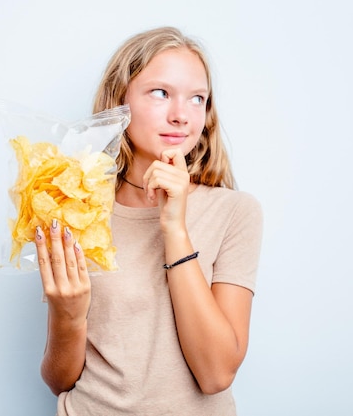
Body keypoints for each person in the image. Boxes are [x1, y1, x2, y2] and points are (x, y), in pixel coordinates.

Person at [33, 26, 263, 415]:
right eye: (161, 93)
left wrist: (175, 227)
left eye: (197, 99)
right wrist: (67, 314)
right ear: (119, 99)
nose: (180, 116)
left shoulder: (235, 212)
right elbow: (61, 380)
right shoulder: (76, 208)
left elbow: (216, 375)